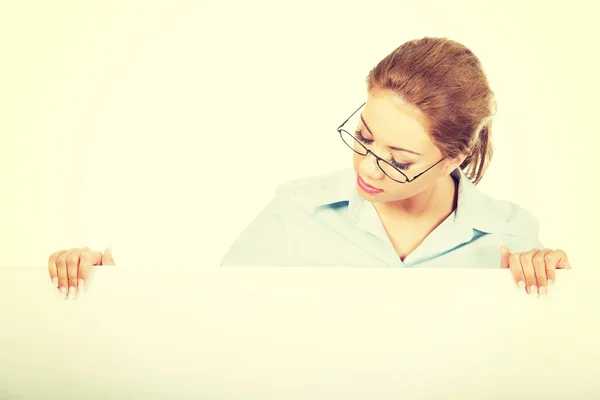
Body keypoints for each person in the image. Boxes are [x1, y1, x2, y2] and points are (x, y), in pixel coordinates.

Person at [47, 37, 571, 300]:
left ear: (454, 157)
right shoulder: (297, 209)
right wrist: (103, 285)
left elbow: (540, 361)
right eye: (364, 137)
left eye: (400, 160)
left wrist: (557, 289)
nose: (368, 167)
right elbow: (212, 318)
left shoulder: (512, 235)